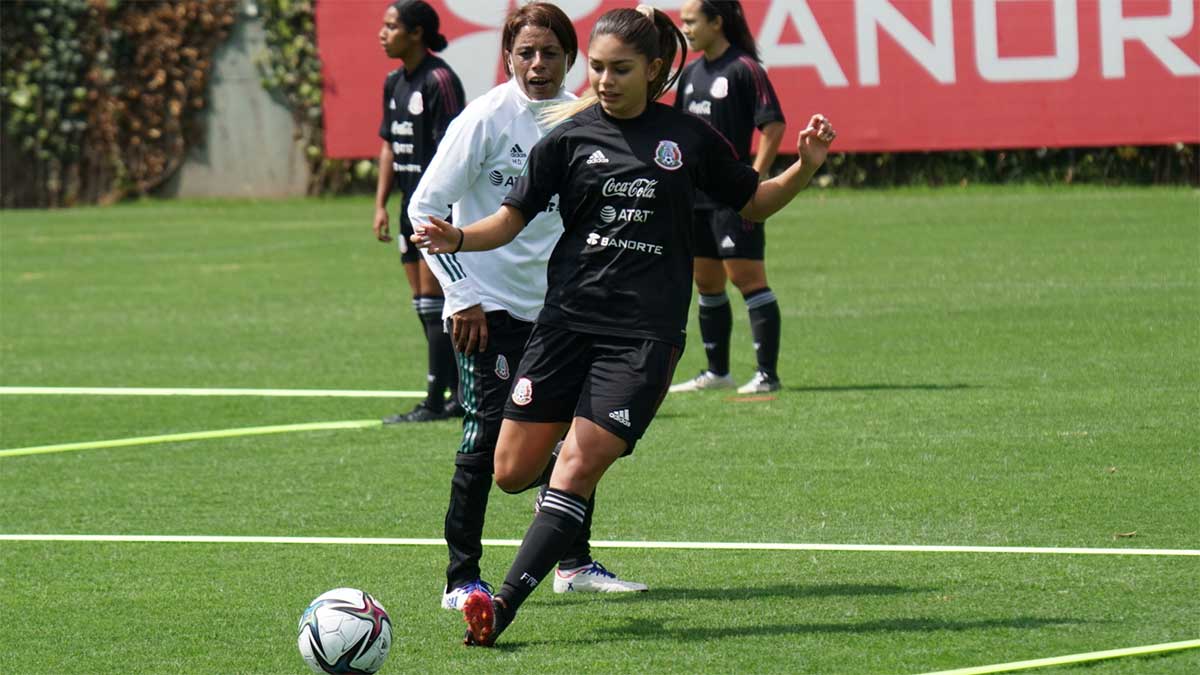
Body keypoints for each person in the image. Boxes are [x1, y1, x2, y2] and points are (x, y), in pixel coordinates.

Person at [412, 5, 836, 647]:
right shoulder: (567, 134)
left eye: (621, 69)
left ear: (655, 70)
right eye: (600, 67)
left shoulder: (688, 139)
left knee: (577, 464)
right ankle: (562, 531)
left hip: (641, 338)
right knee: (510, 470)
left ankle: (500, 605)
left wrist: (803, 167)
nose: (604, 80)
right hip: (562, 327)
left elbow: (752, 201)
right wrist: (458, 238)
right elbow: (508, 219)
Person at [407, 2, 647, 611]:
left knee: (574, 438)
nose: (537, 64)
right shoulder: (486, 119)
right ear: (507, 56)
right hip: (489, 310)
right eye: (524, 53)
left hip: (566, 311)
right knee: (486, 438)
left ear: (571, 58)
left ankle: (572, 562)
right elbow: (424, 209)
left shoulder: (589, 116)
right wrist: (460, 295)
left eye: (549, 53)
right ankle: (461, 577)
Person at [670, 0, 788, 395]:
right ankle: (717, 371)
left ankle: (767, 375)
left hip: (733, 197)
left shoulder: (745, 69)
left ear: (716, 22)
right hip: (695, 198)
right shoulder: (689, 75)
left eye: (691, 21)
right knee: (706, 282)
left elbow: (773, 125)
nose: (684, 28)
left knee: (747, 278)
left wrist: (754, 178)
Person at [373, 0, 465, 423]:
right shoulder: (394, 82)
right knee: (424, 305)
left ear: (416, 33)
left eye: (391, 26)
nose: (382, 33)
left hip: (434, 210)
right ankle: (449, 395)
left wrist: (444, 209)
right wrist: (380, 204)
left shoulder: (440, 80)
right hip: (406, 207)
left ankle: (442, 399)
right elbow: (390, 145)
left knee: (440, 302)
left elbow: (454, 149)